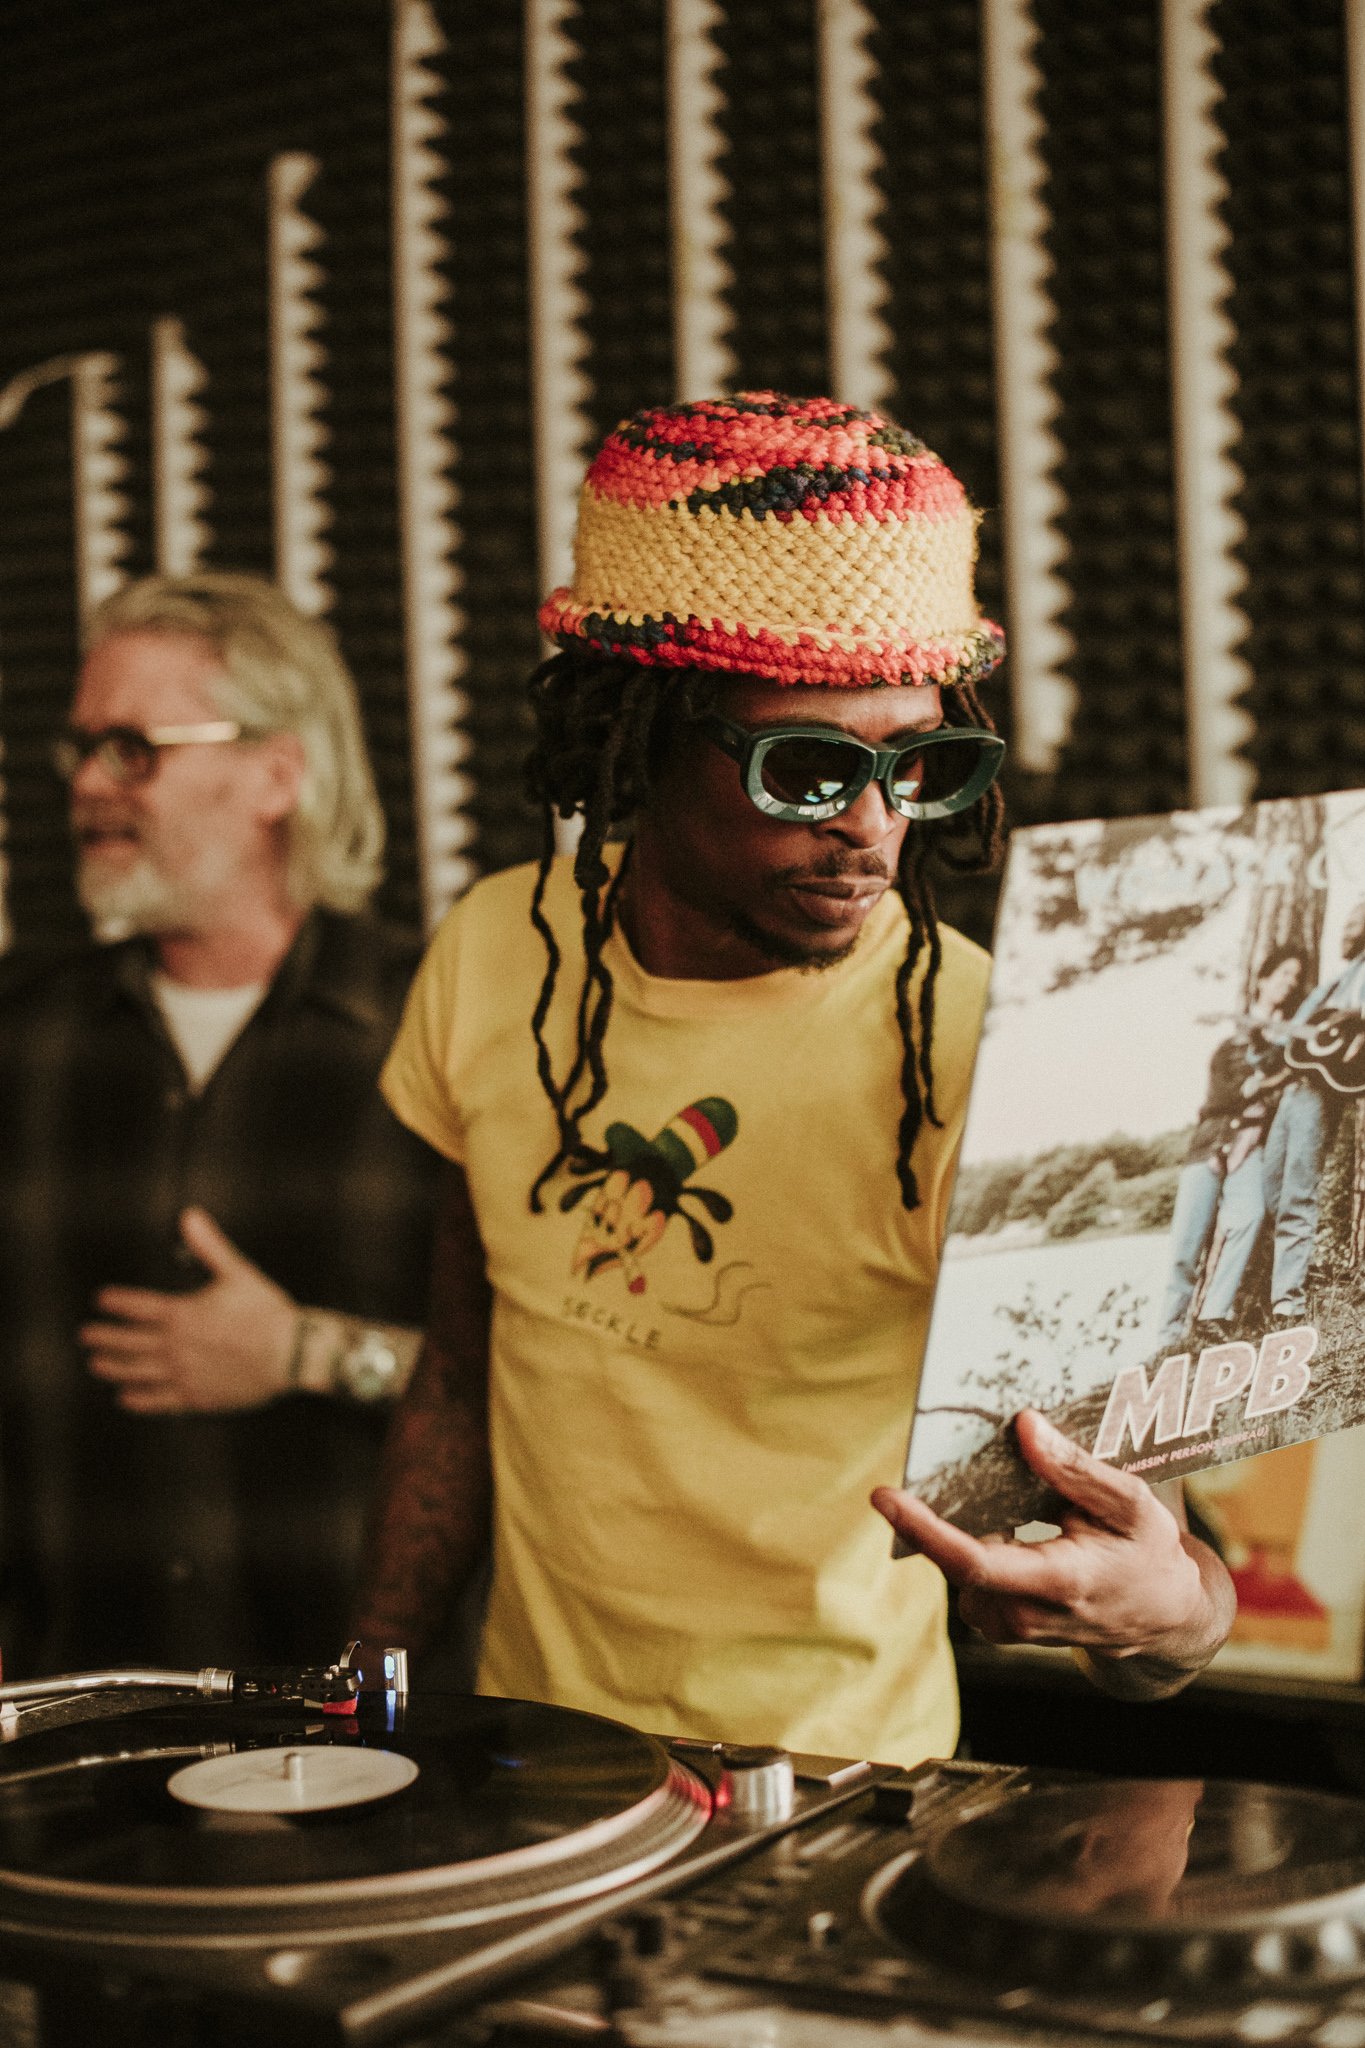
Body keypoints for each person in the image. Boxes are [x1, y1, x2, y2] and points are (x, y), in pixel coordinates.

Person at [353, 393, 1235, 1766]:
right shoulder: (490, 959)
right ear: (641, 732)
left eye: (919, 763)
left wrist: (1161, 1621)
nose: (874, 829)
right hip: (532, 1780)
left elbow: (1162, 1559)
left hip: (827, 1799)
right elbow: (462, 1380)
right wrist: (376, 1679)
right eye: (809, 765)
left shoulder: (989, 1064)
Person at [0, 572, 440, 1675]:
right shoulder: (23, 1038)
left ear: (276, 771)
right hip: (79, 1736)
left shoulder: (442, 1020)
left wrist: (305, 1352)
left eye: (134, 747)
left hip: (382, 1737)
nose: (91, 784)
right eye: (82, 749)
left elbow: (546, 1389)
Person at [1153, 945, 1305, 1351]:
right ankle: (1166, 1337)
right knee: (1187, 1245)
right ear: (1262, 979)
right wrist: (1254, 1098)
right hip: (1208, 1145)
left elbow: (1278, 1095)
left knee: (1249, 1215)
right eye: (1282, 974)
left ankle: (1212, 1314)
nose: (1288, 983)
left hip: (1251, 1146)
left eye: (1294, 978)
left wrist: (1257, 1110)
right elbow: (1226, 1096)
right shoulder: (1228, 1045)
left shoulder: (1290, 1042)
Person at [1261, 903, 1365, 1323]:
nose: (1344, 931)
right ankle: (1303, 1269)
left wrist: (1354, 1018)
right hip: (1294, 1089)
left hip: (1323, 1092)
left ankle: (1288, 1299)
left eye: (1353, 923)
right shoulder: (1337, 981)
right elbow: (1305, 1034)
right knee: (1270, 1192)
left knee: (1297, 1193)